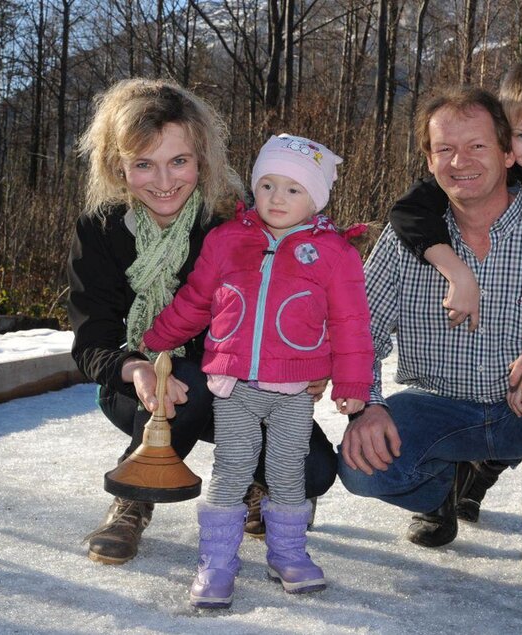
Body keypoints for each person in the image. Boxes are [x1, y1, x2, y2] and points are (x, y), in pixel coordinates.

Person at [338, 87, 522, 592]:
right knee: (362, 468)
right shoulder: (405, 242)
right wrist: (365, 407)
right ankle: (438, 492)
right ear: (429, 160)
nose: (461, 162)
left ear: (508, 153)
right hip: (438, 410)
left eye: (478, 146)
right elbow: (359, 331)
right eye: (445, 150)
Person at [66, 79, 338, 567]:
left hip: (241, 384)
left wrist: (315, 357)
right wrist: (135, 368)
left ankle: (258, 484)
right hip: (138, 387)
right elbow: (92, 338)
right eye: (143, 163)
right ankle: (135, 495)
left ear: (202, 160)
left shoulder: (234, 221)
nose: (164, 180)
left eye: (179, 161)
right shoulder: (100, 228)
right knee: (183, 379)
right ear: (118, 165)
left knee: (314, 469)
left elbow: (305, 292)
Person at [142, 133, 373, 608]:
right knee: (231, 470)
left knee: (288, 471)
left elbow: (351, 325)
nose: (277, 198)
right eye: (267, 185)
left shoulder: (334, 253)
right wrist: (156, 337)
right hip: (234, 386)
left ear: (316, 198)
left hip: (292, 388)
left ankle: (287, 553)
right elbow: (196, 299)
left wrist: (352, 384)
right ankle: (217, 561)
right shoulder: (228, 240)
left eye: (293, 189)